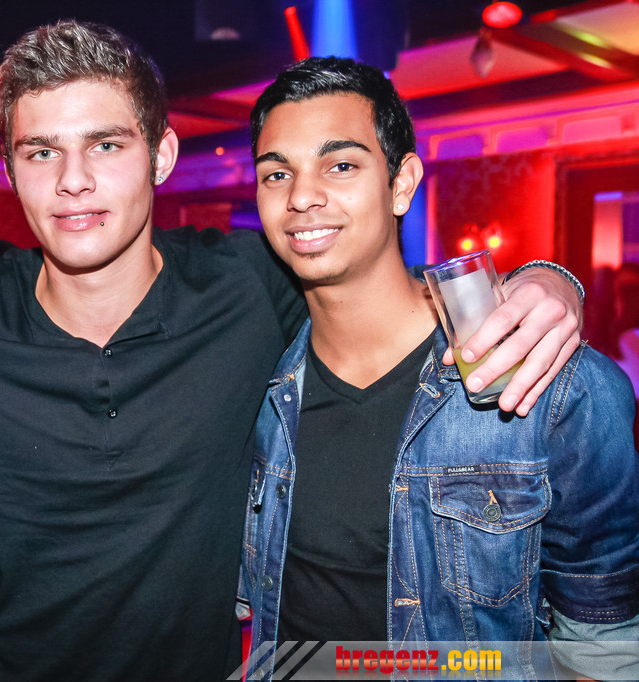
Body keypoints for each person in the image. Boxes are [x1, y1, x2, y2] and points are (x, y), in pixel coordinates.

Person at [0, 22, 586, 680]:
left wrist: (550, 279)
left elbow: (378, 286)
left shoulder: (250, 284)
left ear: (161, 156)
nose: (73, 181)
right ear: (10, 171)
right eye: (41, 152)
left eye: (106, 146)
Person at [239, 57, 638, 680]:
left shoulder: (554, 384)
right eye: (276, 174)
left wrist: (554, 278)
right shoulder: (256, 381)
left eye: (341, 165)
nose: (301, 196)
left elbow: (604, 648)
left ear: (401, 183)